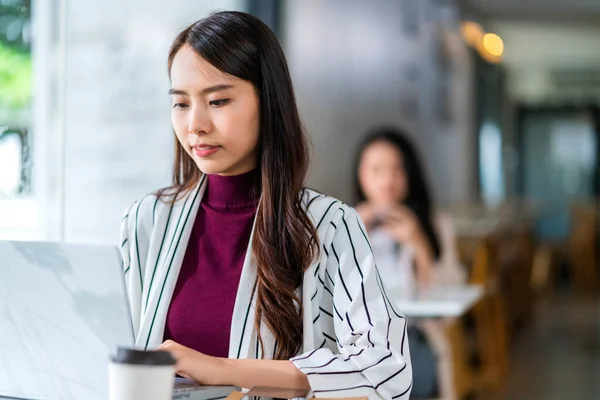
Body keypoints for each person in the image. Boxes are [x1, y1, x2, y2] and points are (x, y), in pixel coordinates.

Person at [119, 11, 412, 399]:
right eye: (181, 104)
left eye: (218, 100)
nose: (195, 124)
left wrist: (221, 370)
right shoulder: (146, 221)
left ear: (268, 102)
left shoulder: (329, 225)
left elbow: (387, 370)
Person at [354, 127, 466, 399]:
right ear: (360, 175)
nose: (388, 180)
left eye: (397, 169)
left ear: (410, 174)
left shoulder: (436, 226)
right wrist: (352, 237)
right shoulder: (344, 224)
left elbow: (450, 303)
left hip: (413, 339)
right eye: (376, 170)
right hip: (360, 344)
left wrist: (418, 242)